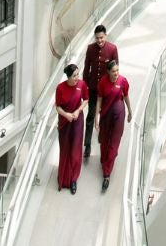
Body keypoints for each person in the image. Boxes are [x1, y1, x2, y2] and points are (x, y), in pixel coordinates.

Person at [81, 24, 118, 161]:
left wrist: (113, 89)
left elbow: (115, 71)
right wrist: (84, 88)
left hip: (106, 91)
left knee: (105, 116)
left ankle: (103, 139)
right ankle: (88, 145)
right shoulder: (90, 49)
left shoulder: (112, 49)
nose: (99, 41)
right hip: (92, 89)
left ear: (106, 36)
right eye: (97, 38)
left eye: (101, 38)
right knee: (90, 116)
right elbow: (86, 70)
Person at [95, 58, 132, 191]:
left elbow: (126, 96)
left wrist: (130, 112)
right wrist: (96, 118)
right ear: (108, 72)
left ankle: (107, 174)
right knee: (104, 140)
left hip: (119, 115)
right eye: (113, 71)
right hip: (105, 115)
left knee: (114, 142)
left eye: (117, 70)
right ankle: (105, 160)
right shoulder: (102, 83)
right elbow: (99, 99)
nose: (116, 73)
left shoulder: (123, 81)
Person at [53, 63, 87, 194]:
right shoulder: (60, 88)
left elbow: (86, 100)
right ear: (68, 77)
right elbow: (58, 107)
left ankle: (73, 179)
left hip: (77, 120)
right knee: (65, 148)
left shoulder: (82, 85)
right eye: (74, 76)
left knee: (75, 149)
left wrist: (78, 111)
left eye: (78, 74)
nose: (77, 77)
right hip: (64, 121)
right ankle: (63, 177)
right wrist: (66, 115)